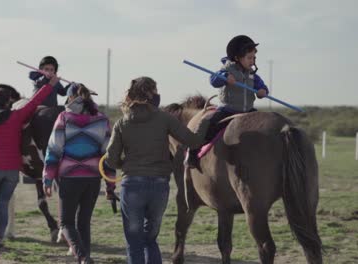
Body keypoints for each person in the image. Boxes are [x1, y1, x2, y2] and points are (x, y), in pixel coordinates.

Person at [105, 77, 206, 264]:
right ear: (150, 93)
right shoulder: (164, 118)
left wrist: (126, 165)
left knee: (134, 242)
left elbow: (111, 159)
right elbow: (193, 141)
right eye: (156, 90)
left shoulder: (122, 123)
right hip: (159, 186)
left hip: (132, 185)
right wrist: (205, 120)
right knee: (150, 240)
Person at [0, 75, 58, 249]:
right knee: (3, 204)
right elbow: (33, 102)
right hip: (12, 170)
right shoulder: (17, 117)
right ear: (9, 102)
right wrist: (50, 85)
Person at [43, 83, 115, 264]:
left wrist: (48, 178)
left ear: (69, 98)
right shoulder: (102, 120)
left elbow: (54, 150)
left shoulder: (64, 117)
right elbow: (108, 155)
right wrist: (110, 184)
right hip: (93, 178)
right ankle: (86, 258)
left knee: (66, 223)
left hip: (69, 178)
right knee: (83, 223)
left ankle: (83, 258)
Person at [185, 35, 269, 168]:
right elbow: (213, 80)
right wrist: (224, 78)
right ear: (237, 58)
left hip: (248, 111)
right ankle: (192, 152)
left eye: (254, 58)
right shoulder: (226, 70)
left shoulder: (253, 75)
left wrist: (263, 91)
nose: (252, 61)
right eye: (249, 58)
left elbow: (261, 87)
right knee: (206, 122)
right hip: (227, 110)